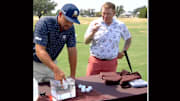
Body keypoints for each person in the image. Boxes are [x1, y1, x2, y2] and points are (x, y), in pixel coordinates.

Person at [33, 3, 80, 84]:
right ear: (60, 14)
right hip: (35, 64)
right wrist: (56, 69)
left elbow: (72, 50)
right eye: (67, 20)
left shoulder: (70, 28)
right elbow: (39, 50)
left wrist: (72, 75)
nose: (69, 24)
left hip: (51, 63)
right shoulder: (44, 23)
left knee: (51, 92)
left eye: (72, 22)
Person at [84, 2, 132, 76]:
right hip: (95, 62)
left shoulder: (120, 25)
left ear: (114, 13)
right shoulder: (95, 23)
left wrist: (124, 51)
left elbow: (128, 38)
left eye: (108, 13)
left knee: (109, 86)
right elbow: (86, 41)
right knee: (90, 86)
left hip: (111, 63)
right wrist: (93, 32)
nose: (105, 16)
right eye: (103, 13)